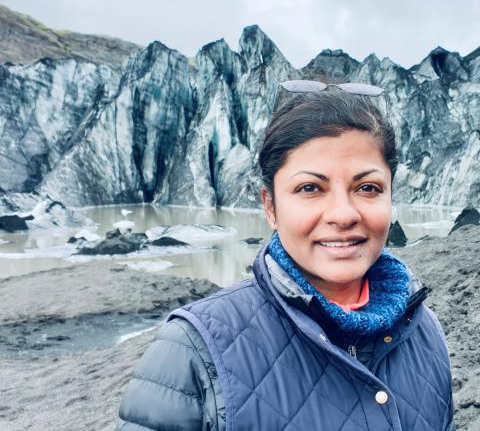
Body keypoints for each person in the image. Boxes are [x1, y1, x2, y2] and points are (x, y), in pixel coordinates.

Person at [117, 81, 455, 431]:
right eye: (311, 188)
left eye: (367, 188)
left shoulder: (426, 332)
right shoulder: (194, 347)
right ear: (270, 206)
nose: (343, 214)